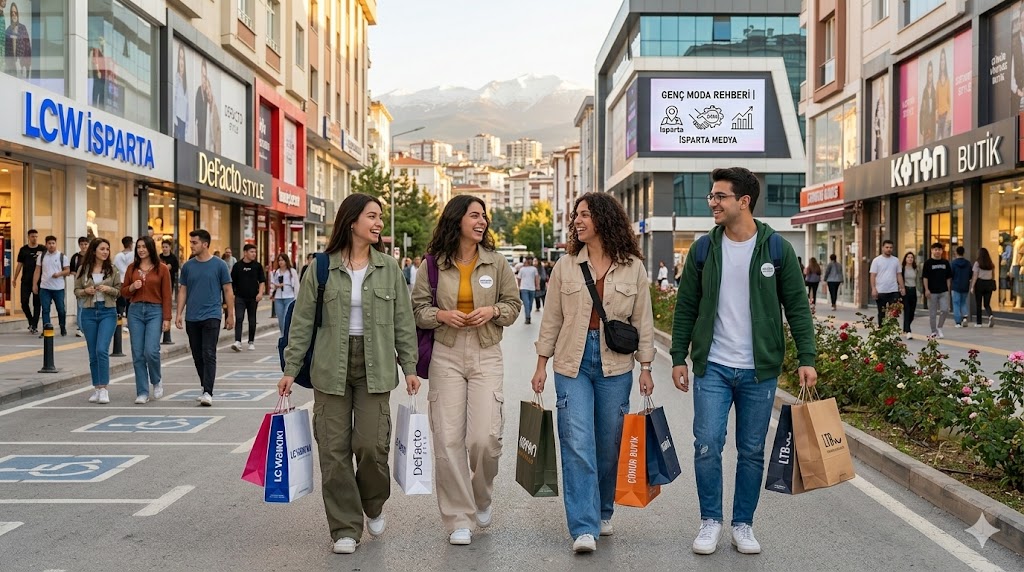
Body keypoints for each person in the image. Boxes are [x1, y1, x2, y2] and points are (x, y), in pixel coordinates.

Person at [670, 167, 816, 557]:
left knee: (751, 451)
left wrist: (807, 357)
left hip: (759, 370)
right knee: (707, 445)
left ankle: (742, 524)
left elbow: (798, 308)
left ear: (743, 201)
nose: (712, 203)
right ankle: (711, 521)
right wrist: (678, 356)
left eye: (720, 196)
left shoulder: (777, 249)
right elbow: (685, 307)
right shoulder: (703, 249)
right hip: (713, 366)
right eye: (712, 197)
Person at [277, 193, 420, 555]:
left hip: (376, 366)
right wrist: (291, 369)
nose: (378, 224)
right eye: (372, 216)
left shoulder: (389, 267)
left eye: (380, 218)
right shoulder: (321, 268)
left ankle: (372, 503)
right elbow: (302, 323)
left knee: (371, 445)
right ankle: (344, 527)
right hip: (329, 366)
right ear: (352, 220)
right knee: (334, 450)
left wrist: (411, 367)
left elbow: (403, 322)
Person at [531, 192, 656, 554]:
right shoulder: (566, 266)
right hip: (572, 362)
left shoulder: (632, 266)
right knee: (576, 441)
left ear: (603, 219)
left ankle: (602, 509)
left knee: (609, 443)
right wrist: (541, 363)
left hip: (615, 364)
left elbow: (643, 321)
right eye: (576, 216)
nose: (577, 221)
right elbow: (552, 319)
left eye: (584, 214)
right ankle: (583, 527)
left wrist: (646, 367)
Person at [411, 196, 521, 546]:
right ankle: (459, 516)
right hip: (445, 352)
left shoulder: (497, 262)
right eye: (474, 215)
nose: (482, 220)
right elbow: (417, 310)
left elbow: (514, 305)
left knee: (485, 439)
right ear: (457, 220)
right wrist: (442, 315)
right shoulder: (432, 265)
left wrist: (493, 312)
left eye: (484, 215)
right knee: (447, 439)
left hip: (486, 352)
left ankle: (481, 495)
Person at [176, 229, 234, 406]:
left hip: (212, 315)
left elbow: (227, 290)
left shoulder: (220, 265)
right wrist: (178, 313)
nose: (191, 245)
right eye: (191, 242)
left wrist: (230, 314)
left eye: (194, 242)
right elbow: (183, 290)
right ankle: (204, 386)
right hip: (192, 317)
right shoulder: (187, 266)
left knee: (209, 352)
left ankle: (208, 391)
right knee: (197, 354)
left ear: (205, 244)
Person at [121, 236, 172, 404]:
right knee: (137, 353)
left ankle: (156, 380)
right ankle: (142, 391)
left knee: (151, 350)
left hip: (154, 311)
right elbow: (124, 293)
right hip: (135, 311)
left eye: (144, 247)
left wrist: (167, 318)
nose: (141, 250)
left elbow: (166, 295)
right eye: (138, 247)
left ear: (151, 248)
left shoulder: (162, 269)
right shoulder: (131, 268)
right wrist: (132, 287)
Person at [75, 238, 121, 405]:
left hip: (107, 311)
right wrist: (85, 291)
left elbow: (118, 291)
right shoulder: (83, 269)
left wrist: (108, 289)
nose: (105, 252)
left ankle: (104, 389)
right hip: (88, 312)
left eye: (107, 249)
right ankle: (96, 387)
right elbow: (76, 290)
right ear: (94, 251)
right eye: (102, 249)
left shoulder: (112, 270)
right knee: (93, 352)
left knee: (102, 349)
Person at [33, 235, 71, 336]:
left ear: (56, 244)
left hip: (58, 288)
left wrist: (59, 274)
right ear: (46, 244)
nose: (51, 245)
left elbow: (67, 270)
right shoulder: (42, 256)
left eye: (53, 243)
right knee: (45, 309)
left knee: (61, 309)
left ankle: (62, 326)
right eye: (49, 243)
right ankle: (47, 329)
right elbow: (37, 271)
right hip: (45, 287)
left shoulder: (62, 256)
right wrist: (34, 285)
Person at [230, 244, 265, 352]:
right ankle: (238, 341)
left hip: (253, 297)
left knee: (252, 319)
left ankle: (251, 341)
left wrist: (260, 293)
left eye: (255, 252)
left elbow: (262, 281)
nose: (254, 254)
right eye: (251, 252)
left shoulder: (257, 266)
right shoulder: (237, 266)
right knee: (239, 318)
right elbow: (232, 283)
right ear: (245, 252)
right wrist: (232, 295)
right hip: (240, 297)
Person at [14, 228, 45, 334]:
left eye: (36, 236)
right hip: (26, 280)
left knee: (37, 303)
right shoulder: (23, 250)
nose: (34, 238)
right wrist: (14, 278)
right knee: (24, 302)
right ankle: (31, 321)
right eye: (32, 236)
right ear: (28, 237)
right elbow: (19, 265)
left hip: (39, 281)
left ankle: (34, 325)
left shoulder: (42, 248)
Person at [870, 239, 905, 326]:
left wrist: (902, 287)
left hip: (893, 290)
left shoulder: (896, 260)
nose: (889, 249)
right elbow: (873, 276)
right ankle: (881, 330)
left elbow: (899, 275)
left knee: (894, 312)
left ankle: (891, 330)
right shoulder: (876, 261)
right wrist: (873, 289)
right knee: (881, 312)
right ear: (882, 248)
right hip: (881, 290)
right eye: (887, 247)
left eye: (890, 247)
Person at [922, 242, 952, 339]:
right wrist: (926, 290)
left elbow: (948, 277)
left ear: (942, 251)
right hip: (932, 291)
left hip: (943, 291)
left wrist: (948, 289)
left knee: (945, 310)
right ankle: (933, 331)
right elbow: (925, 277)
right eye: (935, 249)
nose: (937, 251)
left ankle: (940, 327)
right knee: (932, 313)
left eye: (939, 249)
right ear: (932, 251)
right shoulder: (928, 263)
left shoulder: (945, 262)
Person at [269, 253, 299, 331]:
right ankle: (283, 335)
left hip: (289, 297)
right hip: (278, 297)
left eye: (282, 260)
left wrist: (297, 298)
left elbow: (296, 285)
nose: (280, 262)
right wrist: (274, 290)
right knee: (280, 319)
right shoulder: (276, 272)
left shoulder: (292, 271)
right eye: (279, 260)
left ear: (286, 261)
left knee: (287, 318)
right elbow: (272, 284)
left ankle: (287, 336)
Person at [970, 248, 997, 328]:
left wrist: (972, 286)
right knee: (987, 303)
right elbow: (993, 275)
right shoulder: (991, 264)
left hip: (980, 283)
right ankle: (990, 315)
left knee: (978, 304)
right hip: (989, 284)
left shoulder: (977, 263)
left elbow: (975, 276)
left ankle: (979, 322)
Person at [70, 236, 90, 337]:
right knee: (80, 306)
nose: (84, 246)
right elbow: (72, 271)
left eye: (85, 244)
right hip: (80, 285)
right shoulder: (76, 257)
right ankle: (80, 328)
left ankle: (86, 327)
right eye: (82, 244)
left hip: (90, 284)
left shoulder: (92, 256)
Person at [113, 236, 134, 322]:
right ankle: (129, 321)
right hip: (130, 281)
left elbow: (114, 268)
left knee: (120, 302)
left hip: (120, 281)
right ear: (131, 244)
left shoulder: (117, 256)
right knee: (130, 301)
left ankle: (119, 320)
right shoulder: (134, 255)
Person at [950, 246, 972, 328]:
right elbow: (970, 275)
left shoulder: (953, 263)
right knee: (963, 302)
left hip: (955, 285)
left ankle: (958, 322)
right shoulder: (968, 263)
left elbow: (951, 275)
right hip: (965, 285)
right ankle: (965, 317)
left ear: (956, 253)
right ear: (963, 253)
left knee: (956, 303)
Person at [901, 252, 919, 338]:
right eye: (908, 257)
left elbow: (918, 281)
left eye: (912, 257)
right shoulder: (902, 269)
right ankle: (908, 331)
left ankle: (905, 327)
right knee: (907, 310)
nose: (910, 259)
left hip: (913, 290)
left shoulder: (915, 269)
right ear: (905, 259)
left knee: (912, 311)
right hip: (905, 290)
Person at [517, 255, 540, 324]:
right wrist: (519, 286)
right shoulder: (522, 269)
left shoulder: (534, 269)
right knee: (526, 303)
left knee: (530, 304)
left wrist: (537, 286)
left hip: (532, 288)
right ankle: (528, 317)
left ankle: (528, 315)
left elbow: (536, 278)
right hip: (524, 288)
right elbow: (519, 278)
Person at [919, 61, 937, 144]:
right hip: (926, 127)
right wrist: (921, 128)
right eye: (929, 72)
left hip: (933, 126)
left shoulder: (934, 91)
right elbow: (922, 111)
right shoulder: (925, 91)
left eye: (931, 72)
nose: (930, 75)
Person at [936, 50, 951, 139]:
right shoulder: (937, 83)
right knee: (938, 141)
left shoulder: (948, 81)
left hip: (946, 116)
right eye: (941, 60)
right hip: (939, 117)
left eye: (943, 59)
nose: (942, 62)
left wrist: (949, 115)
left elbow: (949, 100)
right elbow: (937, 102)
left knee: (946, 140)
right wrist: (937, 116)